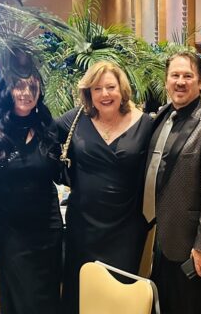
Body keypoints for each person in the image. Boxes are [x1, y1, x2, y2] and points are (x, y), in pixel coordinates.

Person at [57, 61, 152, 314]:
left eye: (110, 87)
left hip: (126, 227)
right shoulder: (75, 120)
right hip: (83, 227)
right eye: (97, 89)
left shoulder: (145, 124)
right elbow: (42, 134)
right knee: (79, 294)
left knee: (118, 295)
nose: (104, 94)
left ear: (122, 89)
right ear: (88, 92)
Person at [146, 51, 201, 314]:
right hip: (159, 237)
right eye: (175, 75)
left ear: (200, 82)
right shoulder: (164, 114)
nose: (180, 82)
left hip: (191, 245)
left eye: (188, 76)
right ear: (166, 80)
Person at [0, 75, 62, 314]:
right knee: (20, 296)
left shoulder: (46, 124)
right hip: (10, 229)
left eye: (32, 87)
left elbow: (56, 170)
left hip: (48, 225)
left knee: (47, 294)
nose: (26, 93)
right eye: (19, 86)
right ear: (7, 89)